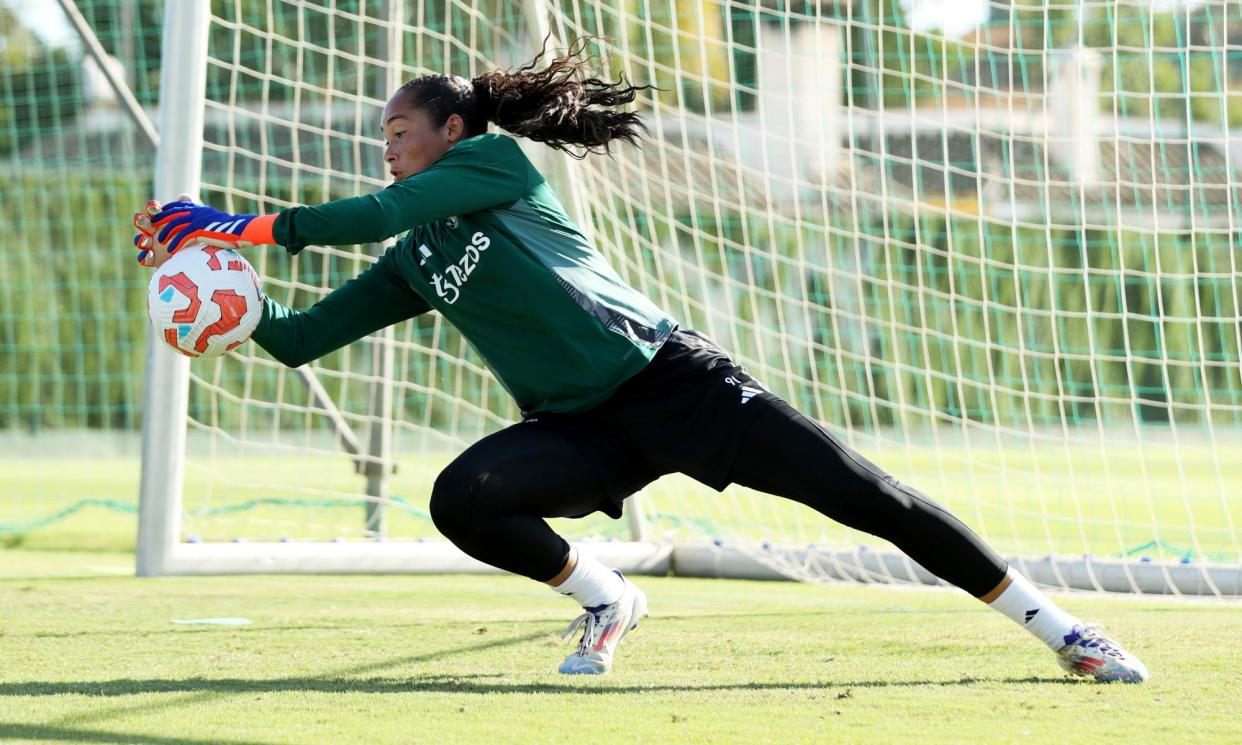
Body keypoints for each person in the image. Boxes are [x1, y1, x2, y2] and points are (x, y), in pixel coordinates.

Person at [132, 41, 1148, 682]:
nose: (387, 149)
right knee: (462, 498)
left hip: (678, 383)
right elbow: (307, 336)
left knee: (867, 498)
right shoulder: (418, 257)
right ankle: (607, 599)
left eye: (400, 131)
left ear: (451, 128)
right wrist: (235, 307)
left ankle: (1062, 630)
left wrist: (238, 222)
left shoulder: (491, 165)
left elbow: (378, 210)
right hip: (582, 428)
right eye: (384, 136)